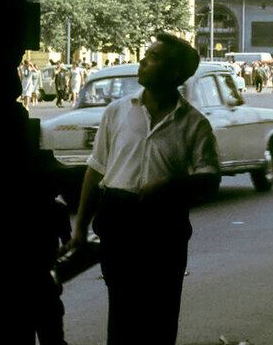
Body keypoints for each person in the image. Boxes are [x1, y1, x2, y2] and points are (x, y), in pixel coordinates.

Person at [64, 33, 220, 345]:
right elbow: (96, 170)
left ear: (175, 72)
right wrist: (80, 228)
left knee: (160, 316)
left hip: (165, 228)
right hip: (118, 222)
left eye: (153, 58)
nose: (143, 62)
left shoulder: (194, 124)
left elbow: (210, 178)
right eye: (145, 56)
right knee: (122, 313)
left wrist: (171, 185)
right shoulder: (118, 112)